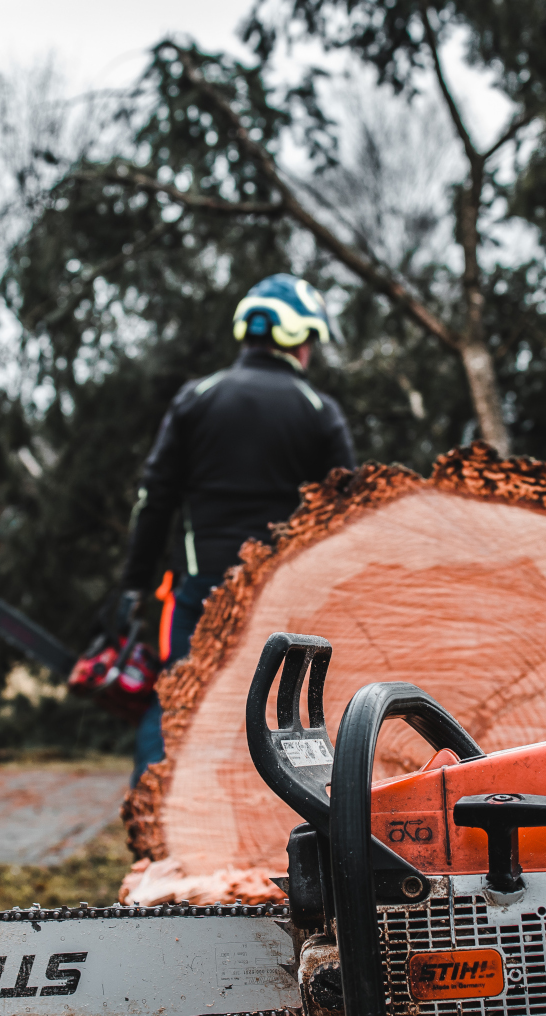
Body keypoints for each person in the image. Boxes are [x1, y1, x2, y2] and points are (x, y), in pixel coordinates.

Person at [119, 273, 356, 783]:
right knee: (291, 717)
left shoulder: (196, 398)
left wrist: (135, 584)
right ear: (296, 337)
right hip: (289, 598)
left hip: (207, 592)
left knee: (181, 709)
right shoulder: (319, 412)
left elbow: (154, 499)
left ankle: (156, 838)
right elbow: (346, 515)